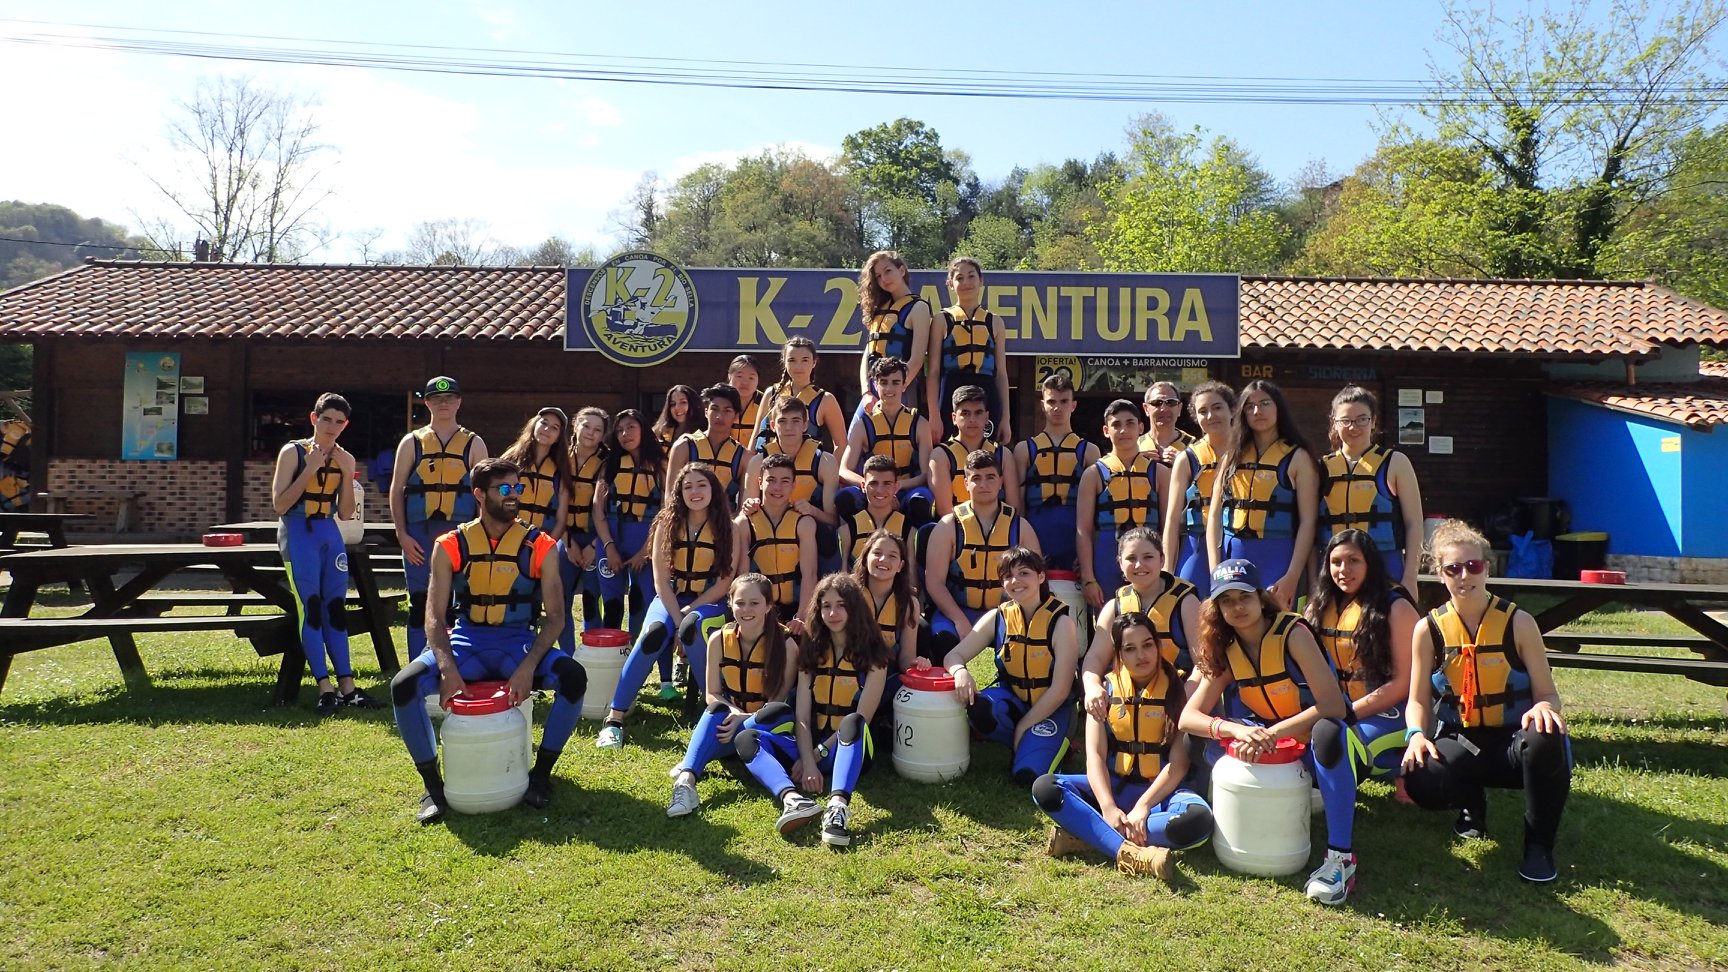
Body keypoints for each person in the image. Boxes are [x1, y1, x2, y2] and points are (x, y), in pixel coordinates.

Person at [389, 458, 585, 824]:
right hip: (467, 642)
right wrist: (446, 667)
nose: (514, 497)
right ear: (479, 494)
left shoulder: (540, 545)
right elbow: (434, 616)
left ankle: (540, 776)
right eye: (504, 489)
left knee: (573, 677)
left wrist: (528, 669)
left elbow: (557, 618)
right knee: (403, 686)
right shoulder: (450, 544)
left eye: (518, 489)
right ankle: (433, 787)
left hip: (518, 644)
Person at [1178, 559, 1357, 905]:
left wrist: (1270, 734)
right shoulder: (1227, 646)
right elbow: (1189, 717)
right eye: (1226, 601)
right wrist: (1235, 730)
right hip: (1272, 738)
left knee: (1327, 734)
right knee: (1194, 740)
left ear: (1261, 597)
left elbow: (1334, 706)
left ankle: (1341, 859)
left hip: (1329, 742)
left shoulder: (1294, 633)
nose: (1237, 607)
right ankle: (1220, 820)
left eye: (1243, 596)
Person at [1402, 520, 1571, 884]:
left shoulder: (1519, 623)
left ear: (1487, 568)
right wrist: (1416, 734)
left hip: (1515, 739)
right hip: (1464, 738)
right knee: (1421, 777)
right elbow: (1416, 698)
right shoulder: (1428, 629)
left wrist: (1544, 707)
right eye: (1453, 568)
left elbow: (1548, 695)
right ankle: (1471, 804)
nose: (1465, 575)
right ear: (1440, 574)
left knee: (1545, 738)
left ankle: (1539, 846)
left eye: (1473, 566)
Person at [1033, 611, 1213, 879]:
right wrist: (1107, 807)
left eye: (1148, 645)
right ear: (1119, 654)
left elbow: (1178, 764)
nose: (1141, 655)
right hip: (1114, 788)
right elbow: (1094, 755)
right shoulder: (1103, 693)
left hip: (1161, 797)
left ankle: (1089, 837)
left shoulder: (1180, 691)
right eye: (1130, 649)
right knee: (1046, 789)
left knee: (1198, 822)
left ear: (1158, 646)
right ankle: (1132, 853)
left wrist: (1142, 807)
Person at [734, 573, 891, 848]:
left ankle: (837, 808)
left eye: (841, 605)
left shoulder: (875, 653)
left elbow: (863, 716)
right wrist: (806, 761)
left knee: (853, 721)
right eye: (826, 606)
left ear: (855, 607)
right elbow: (802, 717)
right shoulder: (812, 649)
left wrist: (816, 757)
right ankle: (792, 799)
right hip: (811, 742)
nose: (833, 612)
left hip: (847, 747)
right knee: (746, 739)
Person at [596, 462, 737, 748]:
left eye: (701, 485)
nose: (695, 492)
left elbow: (725, 582)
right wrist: (677, 615)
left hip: (708, 602)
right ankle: (614, 719)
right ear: (678, 492)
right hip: (670, 598)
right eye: (688, 487)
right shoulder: (665, 523)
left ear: (713, 489)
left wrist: (687, 614)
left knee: (693, 629)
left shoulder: (728, 526)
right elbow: (660, 579)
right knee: (653, 634)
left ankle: (713, 710)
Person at [271, 392, 380, 715]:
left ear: (345, 425)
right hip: (298, 533)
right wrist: (310, 469)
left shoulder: (344, 457)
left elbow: (346, 513)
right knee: (312, 608)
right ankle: (324, 686)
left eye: (338, 422)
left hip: (328, 534)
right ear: (314, 418)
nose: (331, 427)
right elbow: (279, 505)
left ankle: (347, 686)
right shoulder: (293, 452)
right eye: (326, 419)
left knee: (335, 609)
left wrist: (347, 473)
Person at [943, 546, 1078, 787]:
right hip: (1013, 700)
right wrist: (960, 671)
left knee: (1027, 777)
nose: (1015, 581)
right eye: (1007, 576)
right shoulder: (998, 617)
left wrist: (1024, 727)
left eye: (1024, 573)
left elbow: (1060, 691)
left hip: (1053, 708)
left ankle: (1044, 743)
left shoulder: (1061, 622)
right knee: (979, 707)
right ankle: (1024, 740)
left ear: (1041, 577)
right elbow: (954, 655)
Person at [666, 573, 797, 818]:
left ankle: (695, 759)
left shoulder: (787, 644)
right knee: (715, 710)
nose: (746, 610)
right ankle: (686, 783)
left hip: (768, 724)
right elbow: (713, 694)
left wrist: (744, 717)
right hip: (732, 719)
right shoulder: (718, 639)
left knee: (769, 715)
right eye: (740, 603)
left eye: (755, 603)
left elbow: (778, 703)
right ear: (730, 603)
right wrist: (735, 712)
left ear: (769, 606)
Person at [1305, 529, 1419, 796]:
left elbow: (1405, 683)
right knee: (1304, 752)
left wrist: (1348, 713)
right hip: (1333, 709)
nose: (1344, 569)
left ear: (1369, 563)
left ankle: (1404, 768)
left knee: (1343, 748)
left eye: (1353, 561)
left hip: (1390, 709)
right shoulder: (1317, 607)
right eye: (1336, 562)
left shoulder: (1397, 607)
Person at [390, 376, 488, 662]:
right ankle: (417, 666)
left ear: (459, 402)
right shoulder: (412, 442)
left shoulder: (474, 443)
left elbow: (485, 494)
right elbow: (397, 489)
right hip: (419, 535)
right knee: (420, 601)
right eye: (436, 399)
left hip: (460, 535)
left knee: (458, 602)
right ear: (427, 403)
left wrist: (480, 537)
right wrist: (402, 535)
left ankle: (456, 662)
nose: (443, 403)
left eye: (449, 398)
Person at [1206, 379, 1318, 610]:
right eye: (1250, 406)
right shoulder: (1232, 457)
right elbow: (1214, 518)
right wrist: (1215, 571)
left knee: (1277, 628)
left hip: (1279, 555)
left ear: (1278, 408)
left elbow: (1308, 521)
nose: (1257, 411)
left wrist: (1293, 576)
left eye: (1265, 403)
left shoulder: (1297, 457)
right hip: (1234, 555)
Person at [923, 449, 1041, 663]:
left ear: (1001, 482)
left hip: (1006, 611)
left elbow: (1037, 578)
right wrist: (959, 620)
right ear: (966, 483)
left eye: (990, 477)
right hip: (958, 610)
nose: (983, 484)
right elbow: (934, 582)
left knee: (1026, 652)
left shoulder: (1020, 527)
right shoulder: (949, 526)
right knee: (942, 639)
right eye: (976, 478)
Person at [1081, 526, 1202, 721]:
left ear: (1161, 559)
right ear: (1120, 563)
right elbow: (1094, 658)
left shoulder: (1185, 602)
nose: (1139, 565)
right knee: (1098, 702)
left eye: (1148, 557)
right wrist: (1092, 686)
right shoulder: (1115, 607)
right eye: (1131, 559)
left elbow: (1204, 664)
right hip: (1133, 702)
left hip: (1181, 696)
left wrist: (1181, 700)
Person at [1320, 386, 1426, 594]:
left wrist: (1411, 577)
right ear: (1334, 422)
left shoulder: (1395, 463)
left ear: (1373, 421)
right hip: (1337, 570)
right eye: (1346, 420)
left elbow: (1414, 523)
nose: (1353, 427)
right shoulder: (1321, 468)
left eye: (1362, 419)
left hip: (1385, 564)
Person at [1077, 399, 1168, 610]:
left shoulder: (1160, 473)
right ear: (1106, 430)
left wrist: (1166, 568)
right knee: (1109, 623)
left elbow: (1168, 526)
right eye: (1116, 424)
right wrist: (1088, 578)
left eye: (1129, 423)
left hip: (1148, 556)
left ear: (1141, 428)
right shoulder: (1094, 474)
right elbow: (1083, 529)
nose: (1124, 430)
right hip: (1106, 556)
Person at [1012, 373, 1099, 576]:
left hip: (1073, 533)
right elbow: (1018, 506)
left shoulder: (1089, 451)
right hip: (1036, 531)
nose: (1057, 408)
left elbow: (1096, 507)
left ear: (1073, 405)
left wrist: (1089, 552)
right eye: (1051, 401)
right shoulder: (1025, 450)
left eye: (1064, 401)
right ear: (1042, 405)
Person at [742, 395, 840, 568]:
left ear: (804, 425)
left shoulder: (825, 461)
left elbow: (834, 520)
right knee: (739, 526)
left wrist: (812, 511)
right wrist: (749, 505)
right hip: (768, 530)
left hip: (809, 529)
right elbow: (746, 510)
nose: (788, 428)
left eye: (795, 421)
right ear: (773, 426)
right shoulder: (758, 462)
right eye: (782, 421)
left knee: (830, 538)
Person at [591, 409, 663, 640]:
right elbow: (598, 510)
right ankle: (611, 657)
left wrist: (645, 551)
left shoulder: (661, 465)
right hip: (611, 539)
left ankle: (636, 657)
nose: (625, 434)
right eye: (620, 429)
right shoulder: (610, 465)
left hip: (645, 541)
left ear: (643, 429)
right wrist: (609, 546)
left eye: (631, 427)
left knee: (639, 601)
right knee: (611, 604)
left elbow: (666, 512)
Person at [838, 355, 933, 524]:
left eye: (896, 382)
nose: (889, 388)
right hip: (872, 489)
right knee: (844, 498)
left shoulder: (919, 424)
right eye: (883, 382)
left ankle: (913, 546)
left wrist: (895, 488)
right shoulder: (863, 425)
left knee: (921, 501)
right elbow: (844, 470)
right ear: (875, 385)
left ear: (905, 385)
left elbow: (926, 474)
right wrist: (870, 486)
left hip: (905, 488)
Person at [1162, 381, 1236, 592]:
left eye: (1217, 408)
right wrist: (1167, 569)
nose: (1211, 416)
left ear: (1232, 410)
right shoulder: (1187, 458)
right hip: (1196, 545)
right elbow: (1172, 519)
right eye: (1203, 411)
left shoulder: (1249, 454)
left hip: (1237, 541)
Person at [929, 256, 1011, 444]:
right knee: (950, 448)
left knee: (986, 452)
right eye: (959, 278)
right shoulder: (942, 320)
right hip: (951, 386)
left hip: (986, 388)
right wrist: (934, 414)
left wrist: (1006, 418)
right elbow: (933, 371)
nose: (966, 282)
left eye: (971, 276)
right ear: (950, 284)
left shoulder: (995, 322)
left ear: (981, 280)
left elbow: (1001, 374)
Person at [737, 452, 819, 632]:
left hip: (796, 607)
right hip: (758, 608)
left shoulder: (804, 522)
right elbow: (742, 578)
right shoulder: (745, 523)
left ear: (793, 485)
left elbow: (810, 573)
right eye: (771, 480)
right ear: (760, 483)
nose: (777, 487)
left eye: (784, 481)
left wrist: (802, 617)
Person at [855, 250, 933, 425]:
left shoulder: (918, 307)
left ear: (902, 271)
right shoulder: (879, 309)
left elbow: (917, 359)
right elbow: (867, 355)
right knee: (855, 439)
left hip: (901, 391)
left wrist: (892, 391)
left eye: (888, 271)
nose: (884, 278)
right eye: (878, 276)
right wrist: (867, 392)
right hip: (873, 392)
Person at [558, 406, 609, 650]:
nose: (590, 433)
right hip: (565, 537)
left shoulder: (608, 462)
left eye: (597, 429)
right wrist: (567, 543)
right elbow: (552, 505)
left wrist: (593, 545)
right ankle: (567, 655)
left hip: (594, 538)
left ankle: (593, 654)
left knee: (591, 598)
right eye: (586, 426)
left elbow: (610, 510)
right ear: (575, 426)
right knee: (561, 599)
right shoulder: (559, 459)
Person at [930, 385, 1021, 518]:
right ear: (954, 418)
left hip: (998, 529)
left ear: (986, 417)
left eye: (978, 412)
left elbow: (1014, 506)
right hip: (956, 530)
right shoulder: (941, 455)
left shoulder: (1003, 454)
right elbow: (944, 509)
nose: (972, 419)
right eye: (965, 413)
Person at [756, 337, 847, 453]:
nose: (798, 367)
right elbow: (755, 437)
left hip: (808, 469)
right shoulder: (771, 394)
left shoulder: (825, 399)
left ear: (814, 362)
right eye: (792, 360)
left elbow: (842, 444)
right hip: (770, 467)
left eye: (805, 360)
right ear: (784, 361)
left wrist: (828, 469)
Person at [853, 528, 925, 674]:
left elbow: (906, 659)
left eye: (892, 556)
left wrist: (918, 664)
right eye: (877, 553)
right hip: (847, 673)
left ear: (900, 566)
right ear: (866, 558)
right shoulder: (845, 593)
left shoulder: (909, 604)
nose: (883, 560)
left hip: (885, 675)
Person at [665, 384, 746, 506]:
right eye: (715, 409)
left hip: (726, 522)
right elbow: (670, 497)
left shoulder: (744, 457)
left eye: (727, 410)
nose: (719, 416)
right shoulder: (683, 447)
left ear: (735, 416)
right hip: (687, 521)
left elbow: (743, 509)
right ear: (706, 411)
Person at [499, 407, 571, 537]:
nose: (547, 429)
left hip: (543, 539)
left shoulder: (561, 470)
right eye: (544, 423)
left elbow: (561, 521)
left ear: (558, 438)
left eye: (555, 427)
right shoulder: (510, 460)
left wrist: (545, 548)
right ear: (534, 425)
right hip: (508, 536)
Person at [838, 455, 916, 570]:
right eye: (873, 483)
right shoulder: (847, 531)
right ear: (863, 486)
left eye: (887, 483)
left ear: (896, 487)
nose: (880, 490)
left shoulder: (909, 532)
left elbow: (911, 581)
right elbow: (842, 581)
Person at [1138, 381, 1195, 464]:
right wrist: (1136, 463)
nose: (1164, 409)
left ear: (1179, 408)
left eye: (1171, 402)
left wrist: (1184, 464)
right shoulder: (1135, 447)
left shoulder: (1193, 446)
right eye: (1157, 403)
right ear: (1146, 409)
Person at [727, 354, 766, 448]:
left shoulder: (765, 402)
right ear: (729, 376)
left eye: (751, 378)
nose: (745, 382)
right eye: (739, 376)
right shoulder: (719, 400)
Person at [652, 384, 699, 454]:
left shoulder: (704, 434)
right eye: (673, 404)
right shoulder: (658, 432)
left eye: (683, 402)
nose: (677, 408)